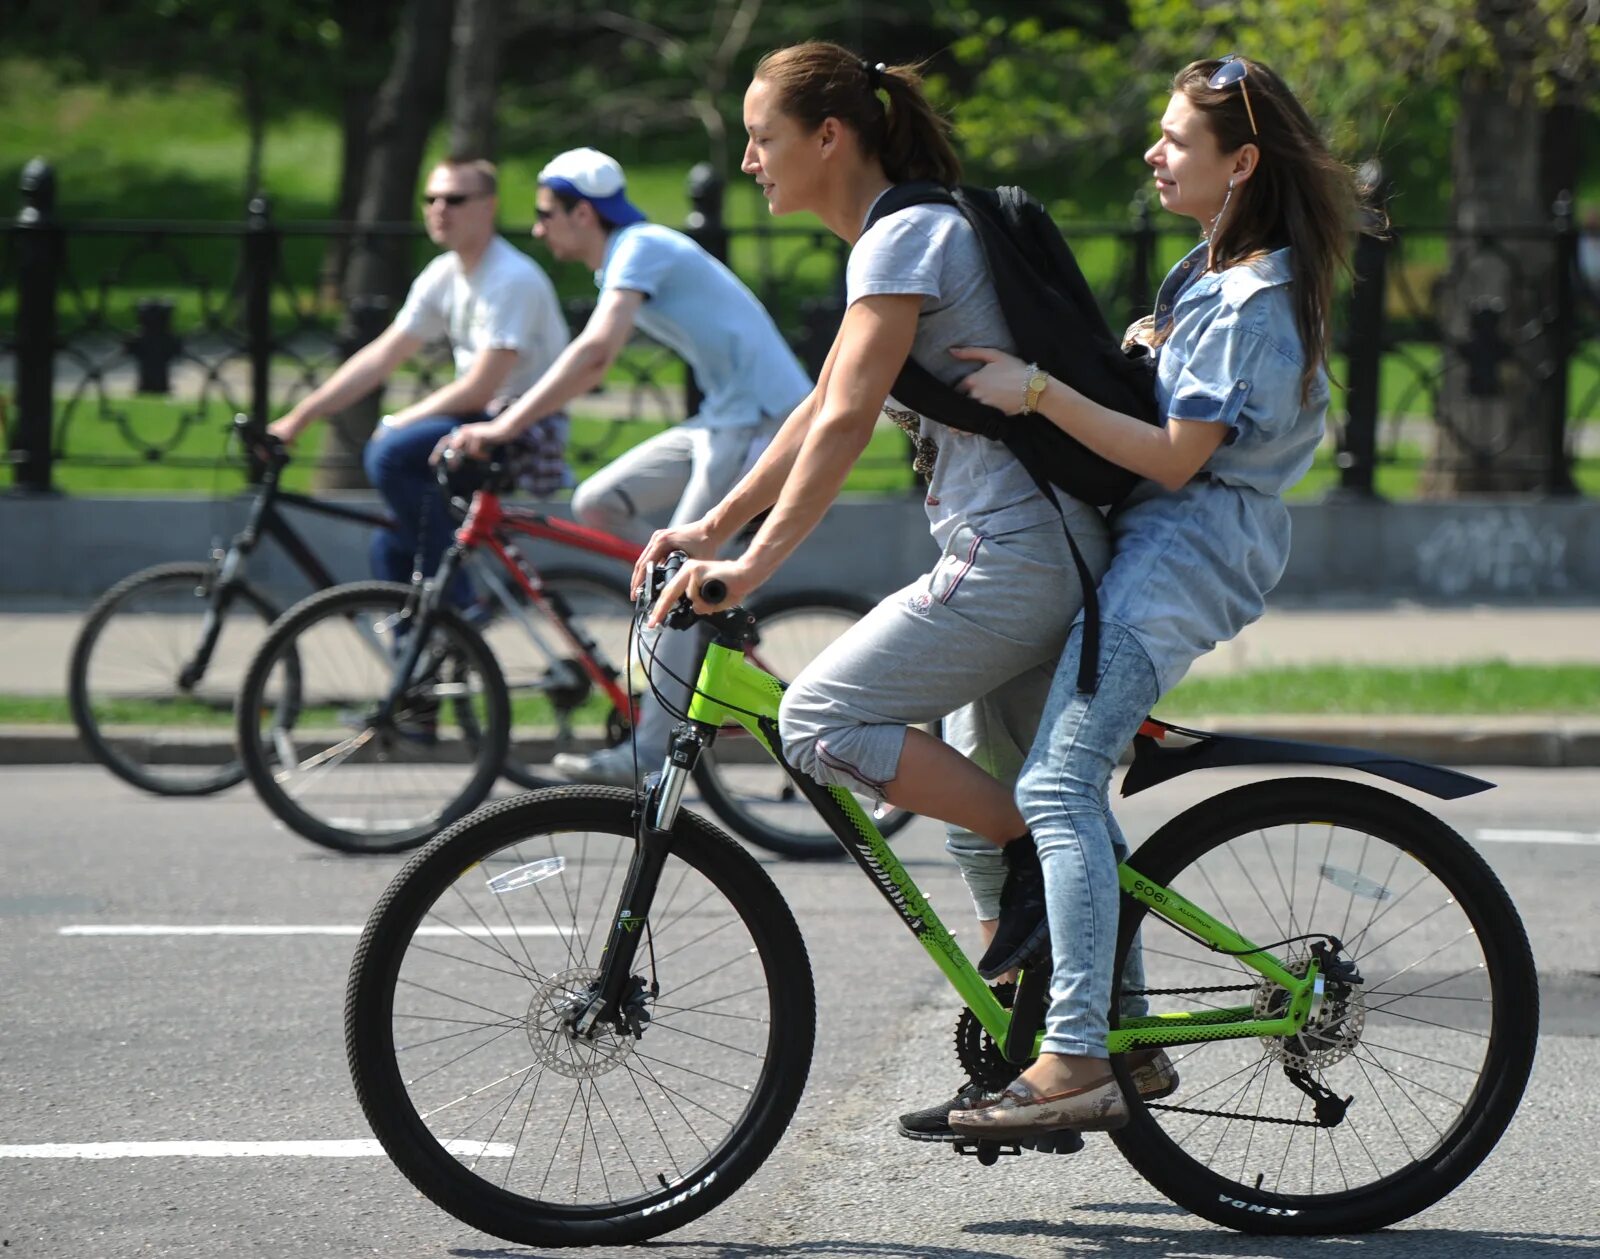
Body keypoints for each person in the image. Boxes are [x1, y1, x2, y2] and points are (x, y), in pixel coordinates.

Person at [634, 41, 1171, 1140]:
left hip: (1019, 557)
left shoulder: (907, 235)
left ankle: (1040, 879)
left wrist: (752, 569)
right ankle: (1115, 1034)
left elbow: (840, 419)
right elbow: (821, 402)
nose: (746, 160)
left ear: (830, 138)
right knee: (983, 818)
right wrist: (713, 523)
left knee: (818, 719)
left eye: (762, 137)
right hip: (1027, 551)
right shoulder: (900, 239)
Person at [942, 55, 1355, 1140]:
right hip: (1136, 542)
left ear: (1242, 163)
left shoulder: (1257, 299)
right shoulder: (1204, 271)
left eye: (1176, 138)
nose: (1152, 152)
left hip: (1184, 556)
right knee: (976, 744)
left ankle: (1079, 1051)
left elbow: (1175, 460)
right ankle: (1064, 1003)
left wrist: (1037, 391)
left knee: (1058, 779)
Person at [439, 147, 811, 786]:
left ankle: (646, 751)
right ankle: (699, 626)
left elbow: (596, 355)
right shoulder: (632, 251)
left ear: (583, 213)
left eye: (546, 213)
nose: (536, 228)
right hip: (724, 418)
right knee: (598, 502)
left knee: (673, 580)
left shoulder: (640, 247)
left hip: (765, 422)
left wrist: (503, 426)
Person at [269, 157, 570, 611]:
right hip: (479, 421)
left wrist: (396, 422)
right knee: (389, 550)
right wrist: (297, 419)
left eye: (454, 199)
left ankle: (460, 609)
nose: (438, 209)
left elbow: (480, 388)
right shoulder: (445, 273)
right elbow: (383, 354)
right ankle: (426, 670)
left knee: (389, 454)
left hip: (521, 427)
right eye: (430, 199)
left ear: (488, 207)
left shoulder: (513, 279)